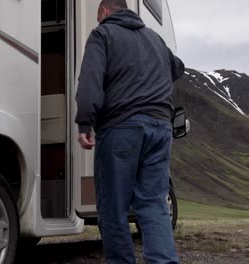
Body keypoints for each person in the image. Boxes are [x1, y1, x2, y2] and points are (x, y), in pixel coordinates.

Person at [74, 0, 185, 263]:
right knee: (153, 204)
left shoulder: (102, 33)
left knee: (113, 209)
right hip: (160, 128)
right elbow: (177, 67)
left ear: (103, 12)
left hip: (121, 127)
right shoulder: (155, 38)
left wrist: (85, 123)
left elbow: (90, 80)